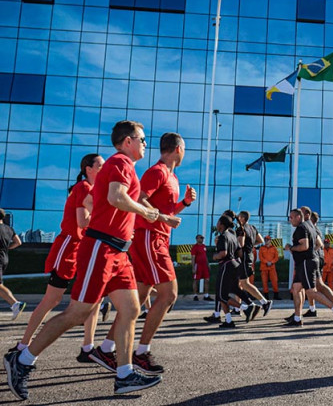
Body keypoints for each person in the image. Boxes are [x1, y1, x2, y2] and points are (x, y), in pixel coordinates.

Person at [4, 120, 162, 399]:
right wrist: (144, 212)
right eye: (143, 139)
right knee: (77, 312)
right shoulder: (120, 162)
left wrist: (159, 214)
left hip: (119, 253)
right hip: (101, 248)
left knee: (131, 309)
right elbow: (116, 197)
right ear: (128, 141)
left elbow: (112, 198)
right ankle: (22, 360)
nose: (145, 144)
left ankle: (124, 374)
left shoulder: (124, 167)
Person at [13, 154, 104, 364]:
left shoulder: (95, 191)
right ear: (88, 169)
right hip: (69, 247)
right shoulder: (82, 188)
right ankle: (22, 345)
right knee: (51, 300)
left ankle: (87, 348)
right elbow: (82, 222)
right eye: (101, 165)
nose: (105, 167)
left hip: (85, 249)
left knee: (94, 298)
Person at [125, 132, 196, 375]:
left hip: (158, 237)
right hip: (149, 236)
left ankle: (107, 346)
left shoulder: (172, 177)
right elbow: (138, 199)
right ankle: (142, 351)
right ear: (178, 148)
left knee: (139, 296)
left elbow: (165, 210)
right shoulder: (157, 171)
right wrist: (164, 217)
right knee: (168, 295)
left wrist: (184, 204)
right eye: (185, 148)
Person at [285, 209, 333, 326]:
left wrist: (291, 248)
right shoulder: (310, 226)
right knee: (296, 289)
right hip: (305, 263)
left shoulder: (301, 228)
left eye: (291, 217)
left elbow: (304, 246)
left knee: (311, 292)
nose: (289, 220)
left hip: (306, 263)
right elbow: (317, 244)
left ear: (298, 217)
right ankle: (297, 318)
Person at [236, 211, 271, 318]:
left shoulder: (241, 229)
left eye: (238, 217)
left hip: (244, 257)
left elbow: (240, 244)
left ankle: (265, 302)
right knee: (239, 284)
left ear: (242, 218)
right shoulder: (252, 228)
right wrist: (251, 246)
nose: (237, 219)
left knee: (245, 283)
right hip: (249, 255)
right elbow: (260, 240)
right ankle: (237, 308)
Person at [0, 208, 25, 321]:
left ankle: (16, 304)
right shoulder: (8, 229)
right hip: (4, 257)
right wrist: (7, 248)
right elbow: (18, 242)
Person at [191, 235, 212, 301]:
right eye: (201, 238)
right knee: (196, 280)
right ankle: (195, 295)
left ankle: (206, 295)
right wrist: (193, 267)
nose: (202, 239)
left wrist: (208, 264)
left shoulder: (204, 246)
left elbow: (205, 256)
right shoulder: (194, 247)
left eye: (203, 238)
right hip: (198, 265)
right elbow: (193, 257)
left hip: (204, 265)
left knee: (207, 280)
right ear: (197, 239)